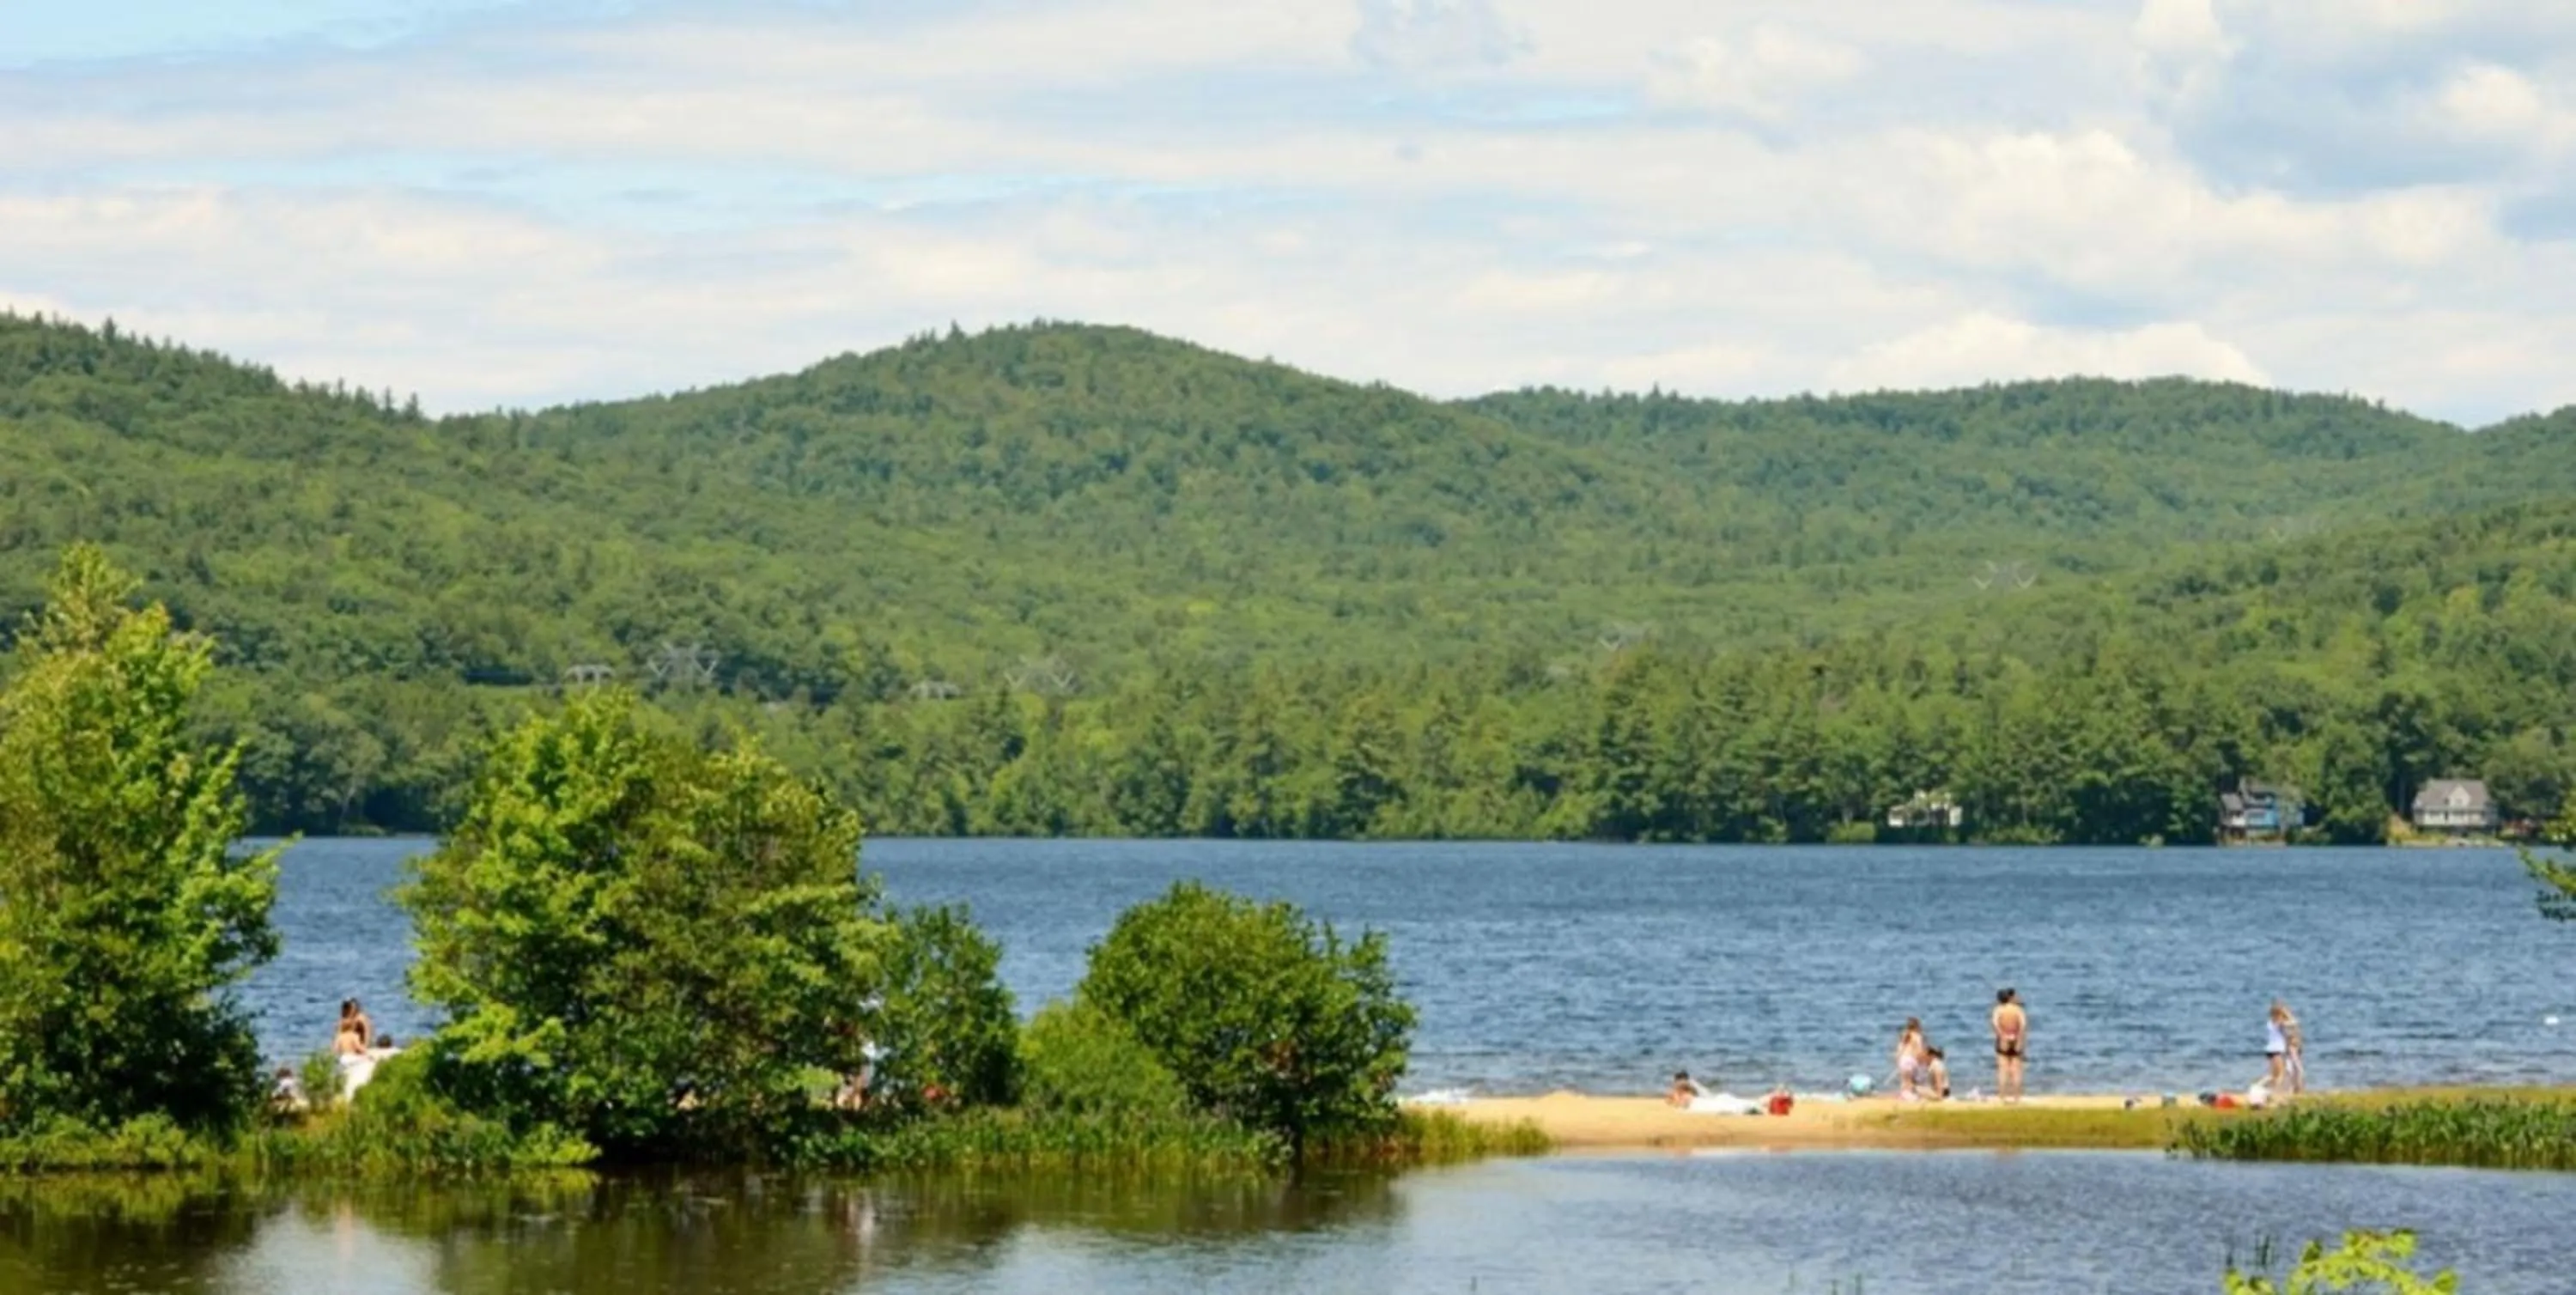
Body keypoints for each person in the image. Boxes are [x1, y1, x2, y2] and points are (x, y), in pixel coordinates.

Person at [1991, 988, 2027, 1103]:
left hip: (2003, 1038)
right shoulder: (2018, 1010)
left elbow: (1995, 1023)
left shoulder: (1998, 1010)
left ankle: (2002, 1096)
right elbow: (2023, 1025)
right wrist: (2019, 1039)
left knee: (2003, 1070)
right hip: (2015, 1037)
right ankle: (2017, 1097)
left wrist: (2002, 1036)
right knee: (2016, 1070)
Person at [1894, 1018, 1929, 1099]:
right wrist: (1922, 1061)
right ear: (1918, 1026)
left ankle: (1904, 1096)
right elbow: (1919, 1051)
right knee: (1911, 1081)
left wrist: (1898, 1059)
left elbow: (1899, 1049)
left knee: (1904, 1081)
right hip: (1911, 1059)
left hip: (1903, 1059)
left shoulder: (1905, 1035)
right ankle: (1911, 1097)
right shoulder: (1917, 1036)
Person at [2277, 1000, 2306, 1097]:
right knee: (2295, 1070)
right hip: (2291, 1048)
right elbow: (2294, 1023)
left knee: (2293, 1070)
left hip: (2293, 1048)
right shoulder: (2283, 1024)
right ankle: (2296, 1088)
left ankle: (2295, 1088)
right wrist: (2286, 1012)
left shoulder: (2286, 1024)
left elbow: (2295, 1026)